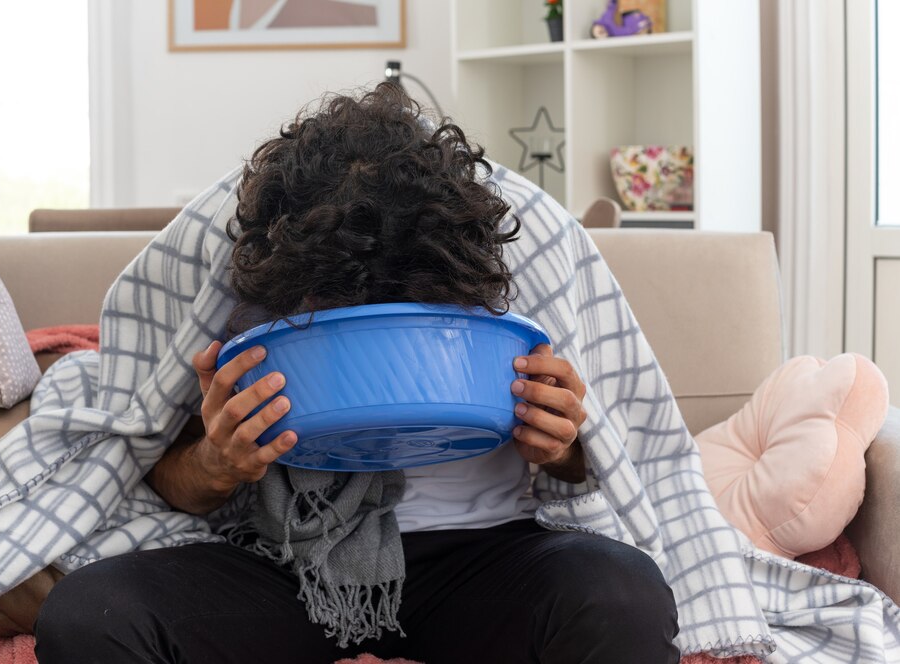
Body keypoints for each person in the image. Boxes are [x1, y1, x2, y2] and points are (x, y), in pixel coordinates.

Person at [33, 83, 679, 663]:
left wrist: (564, 447)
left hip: (482, 558)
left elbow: (607, 466)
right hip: (289, 564)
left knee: (623, 595)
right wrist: (215, 461)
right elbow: (158, 475)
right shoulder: (252, 273)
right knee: (91, 618)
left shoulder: (506, 260)